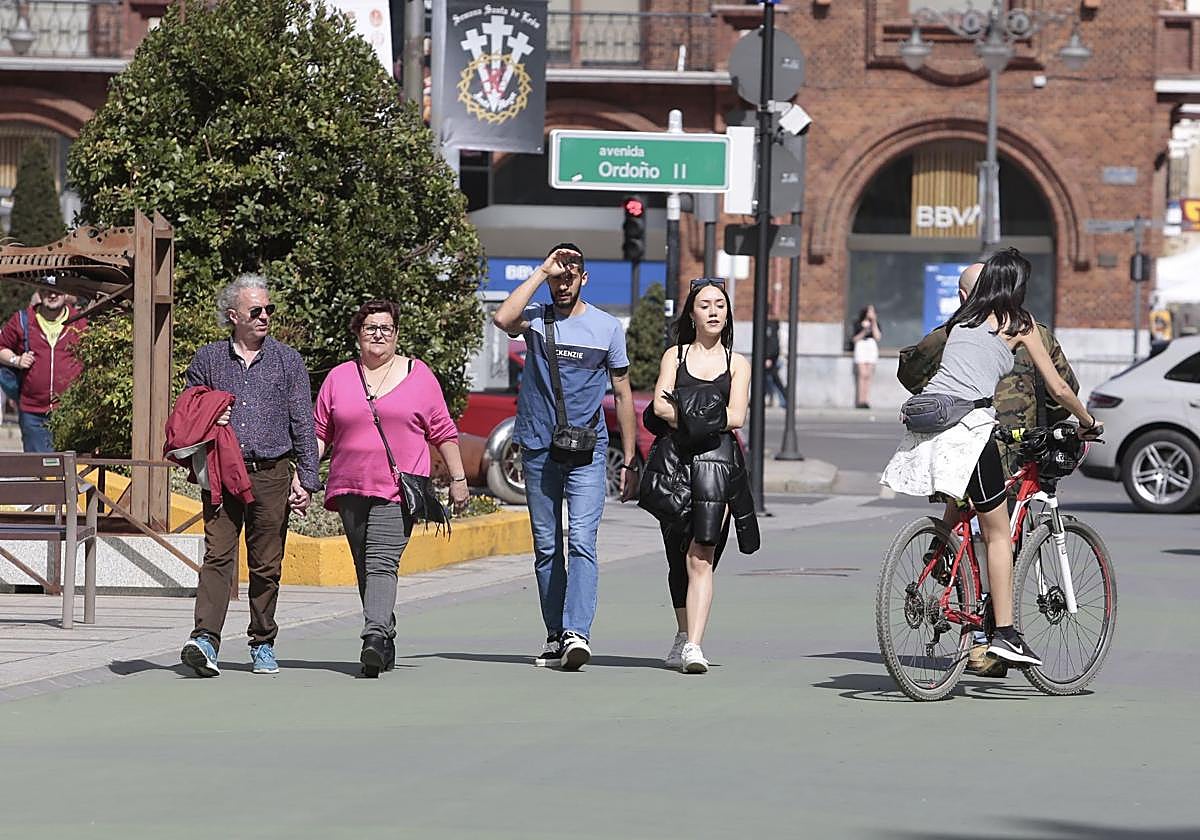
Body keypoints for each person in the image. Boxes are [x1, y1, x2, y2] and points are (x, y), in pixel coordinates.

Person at [881, 248, 1102, 669]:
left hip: (931, 423)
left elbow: (911, 372)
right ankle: (1004, 634)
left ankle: (940, 557)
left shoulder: (957, 324)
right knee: (998, 534)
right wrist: (1088, 421)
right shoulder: (1020, 323)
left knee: (963, 509)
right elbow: (1059, 387)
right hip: (976, 432)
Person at [492, 243, 638, 671]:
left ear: (584, 279)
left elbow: (624, 394)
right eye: (557, 277)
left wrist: (629, 458)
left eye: (570, 276)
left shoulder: (607, 328)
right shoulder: (536, 319)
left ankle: (577, 632)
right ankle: (556, 634)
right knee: (547, 544)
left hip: (587, 450)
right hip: (537, 446)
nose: (563, 283)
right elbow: (503, 318)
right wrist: (540, 271)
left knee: (582, 542)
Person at [314, 300, 469, 677]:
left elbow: (443, 431)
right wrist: (303, 478)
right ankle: (386, 637)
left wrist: (459, 479)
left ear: (397, 334)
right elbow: (320, 433)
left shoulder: (420, 376)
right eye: (370, 328)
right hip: (349, 486)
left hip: (398, 489)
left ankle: (373, 637)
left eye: (386, 328)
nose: (378, 334)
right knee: (365, 566)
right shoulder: (339, 377)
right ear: (358, 334)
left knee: (382, 561)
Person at [178, 273, 321, 678]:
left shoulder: (286, 359)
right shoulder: (208, 359)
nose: (264, 317)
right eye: (255, 310)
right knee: (218, 555)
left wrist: (307, 479)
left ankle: (262, 641)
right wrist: (209, 414)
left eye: (268, 310)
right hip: (223, 473)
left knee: (266, 564)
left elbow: (302, 422)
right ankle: (205, 639)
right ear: (233, 315)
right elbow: (187, 410)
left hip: (272, 473)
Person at [648, 278, 754, 673]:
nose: (713, 311)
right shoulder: (673, 357)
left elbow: (737, 416)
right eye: (705, 304)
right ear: (691, 313)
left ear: (727, 315)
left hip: (718, 466)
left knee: (702, 555)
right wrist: (706, 418)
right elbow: (660, 405)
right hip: (673, 465)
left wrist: (688, 416)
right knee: (677, 557)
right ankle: (681, 633)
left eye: (720, 305)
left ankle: (694, 645)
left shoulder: (736, 363)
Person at [0, 277, 86, 452]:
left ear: (66, 293)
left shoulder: (80, 322)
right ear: (39, 292)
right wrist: (16, 360)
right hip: (33, 413)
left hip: (71, 412)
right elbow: (1, 346)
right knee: (40, 471)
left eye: (57, 290)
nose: (52, 294)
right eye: (46, 289)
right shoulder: (22, 320)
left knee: (71, 470)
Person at [851, 304, 881, 408]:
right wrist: (864, 331)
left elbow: (877, 337)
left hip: (871, 347)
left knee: (868, 375)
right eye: (870, 311)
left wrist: (873, 323)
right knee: (862, 374)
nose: (871, 314)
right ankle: (860, 400)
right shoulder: (858, 323)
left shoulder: (875, 324)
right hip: (861, 347)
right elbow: (854, 339)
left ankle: (866, 401)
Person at [764, 319, 787, 408]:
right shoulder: (774, 328)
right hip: (773, 358)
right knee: (771, 380)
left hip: (772, 359)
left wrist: (769, 358)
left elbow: (773, 345)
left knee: (775, 380)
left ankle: (785, 398)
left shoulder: (772, 329)